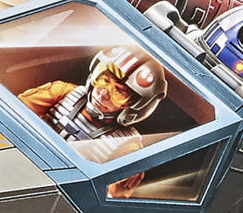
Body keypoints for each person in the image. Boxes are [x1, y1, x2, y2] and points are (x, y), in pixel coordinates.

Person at [20, 42, 168, 163]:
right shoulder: (62, 92)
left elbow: (109, 188)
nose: (103, 94)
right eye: (104, 80)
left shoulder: (128, 147)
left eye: (118, 92)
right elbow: (14, 114)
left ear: (138, 106)